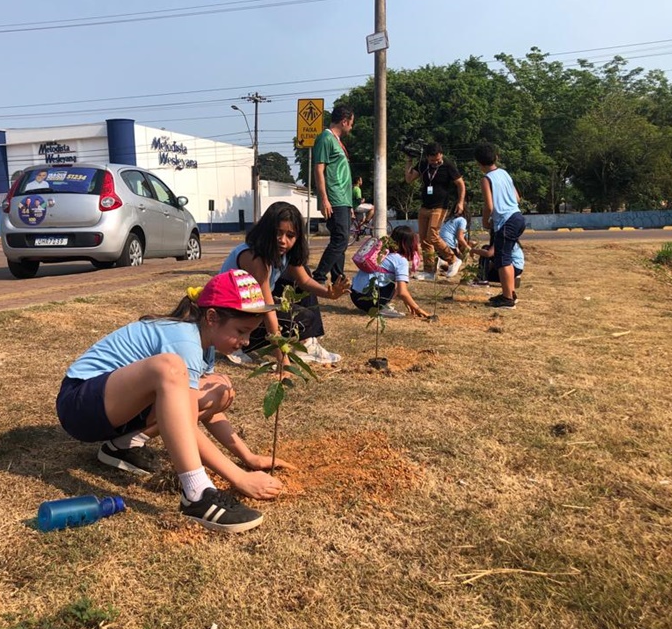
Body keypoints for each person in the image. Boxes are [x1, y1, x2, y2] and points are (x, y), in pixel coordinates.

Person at [56, 270, 291, 534]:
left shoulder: (205, 344)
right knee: (169, 368)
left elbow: (203, 413)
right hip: (80, 405)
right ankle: (197, 494)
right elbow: (187, 425)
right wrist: (238, 478)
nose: (246, 342)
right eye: (241, 331)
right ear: (212, 317)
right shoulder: (184, 340)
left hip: (111, 409)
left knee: (218, 389)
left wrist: (247, 457)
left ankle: (120, 446)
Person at [221, 201, 349, 365]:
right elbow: (267, 310)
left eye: (290, 236)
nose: (283, 240)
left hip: (251, 306)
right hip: (230, 315)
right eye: (278, 233)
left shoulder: (283, 253)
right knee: (301, 320)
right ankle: (234, 342)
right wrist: (283, 361)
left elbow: (305, 280)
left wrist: (329, 293)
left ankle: (307, 343)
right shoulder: (255, 258)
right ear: (266, 231)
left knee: (304, 275)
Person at [404, 142, 466, 281]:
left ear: (441, 155)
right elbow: (409, 179)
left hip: (440, 206)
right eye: (432, 160)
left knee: (433, 235)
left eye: (438, 159)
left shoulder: (448, 166)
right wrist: (408, 161)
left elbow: (460, 184)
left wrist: (460, 202)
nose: (436, 162)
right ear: (427, 157)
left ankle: (453, 259)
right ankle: (429, 271)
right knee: (425, 240)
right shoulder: (423, 165)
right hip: (425, 206)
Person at [474, 142, 525, 308]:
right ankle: (509, 293)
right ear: (496, 157)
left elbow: (489, 206)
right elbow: (517, 198)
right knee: (505, 257)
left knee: (502, 259)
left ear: (478, 163)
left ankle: (507, 299)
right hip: (517, 217)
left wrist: (485, 220)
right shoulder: (504, 173)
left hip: (506, 220)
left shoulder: (486, 179)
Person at [312, 105, 355, 286]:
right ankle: (319, 276)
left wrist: (350, 205)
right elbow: (319, 169)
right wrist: (324, 199)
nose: (351, 127)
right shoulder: (325, 138)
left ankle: (338, 277)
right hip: (334, 198)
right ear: (344, 121)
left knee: (342, 240)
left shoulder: (336, 141)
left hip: (343, 199)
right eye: (351, 123)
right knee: (340, 238)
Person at [349, 225, 430, 319]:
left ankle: (382, 306)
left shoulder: (382, 252)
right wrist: (418, 309)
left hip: (355, 295)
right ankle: (382, 308)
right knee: (395, 283)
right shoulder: (400, 260)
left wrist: (407, 302)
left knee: (393, 279)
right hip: (370, 301)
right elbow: (402, 291)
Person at [437, 202, 475, 271]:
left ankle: (442, 262)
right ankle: (443, 263)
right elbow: (460, 238)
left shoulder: (449, 219)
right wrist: (469, 249)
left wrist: (457, 248)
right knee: (457, 263)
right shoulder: (462, 220)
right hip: (448, 245)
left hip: (440, 244)